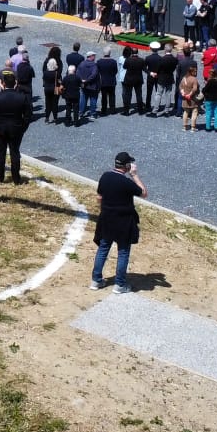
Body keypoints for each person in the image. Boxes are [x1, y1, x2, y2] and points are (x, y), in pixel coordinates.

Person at [90, 151, 147, 293]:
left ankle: (96, 281)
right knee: (123, 252)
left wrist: (104, 210)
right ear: (127, 166)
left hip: (106, 219)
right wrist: (134, 175)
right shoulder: (126, 182)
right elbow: (144, 193)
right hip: (123, 222)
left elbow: (99, 197)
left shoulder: (105, 177)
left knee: (103, 249)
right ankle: (119, 284)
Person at [0, 71, 34, 185]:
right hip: (16, 128)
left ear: (3, 83)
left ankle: (0, 178)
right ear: (15, 83)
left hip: (0, 127)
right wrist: (23, 127)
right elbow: (28, 115)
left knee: (1, 152)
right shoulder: (22, 97)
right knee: (15, 152)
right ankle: (16, 179)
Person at [42, 46, 64, 123]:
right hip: (55, 87)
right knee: (55, 103)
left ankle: (47, 117)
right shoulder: (59, 62)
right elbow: (60, 72)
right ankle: (55, 118)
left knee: (47, 102)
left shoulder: (47, 61)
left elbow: (43, 70)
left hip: (47, 87)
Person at [96, 50, 119, 117]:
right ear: (110, 53)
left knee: (104, 96)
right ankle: (112, 109)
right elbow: (116, 71)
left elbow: (97, 71)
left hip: (103, 81)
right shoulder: (114, 62)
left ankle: (104, 110)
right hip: (112, 81)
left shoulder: (99, 62)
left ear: (103, 53)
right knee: (112, 95)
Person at [179, 64, 201, 132]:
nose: (196, 73)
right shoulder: (194, 79)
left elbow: (180, 87)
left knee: (186, 112)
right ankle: (193, 127)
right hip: (193, 98)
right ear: (192, 72)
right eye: (195, 71)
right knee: (194, 112)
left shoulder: (184, 78)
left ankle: (184, 127)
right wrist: (190, 94)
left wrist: (183, 93)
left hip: (185, 98)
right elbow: (195, 89)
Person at [62, 63, 84, 127]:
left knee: (68, 108)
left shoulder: (65, 78)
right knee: (76, 109)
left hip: (67, 95)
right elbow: (82, 85)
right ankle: (76, 122)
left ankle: (67, 122)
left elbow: (62, 86)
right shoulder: (77, 78)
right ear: (75, 70)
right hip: (76, 95)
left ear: (68, 71)